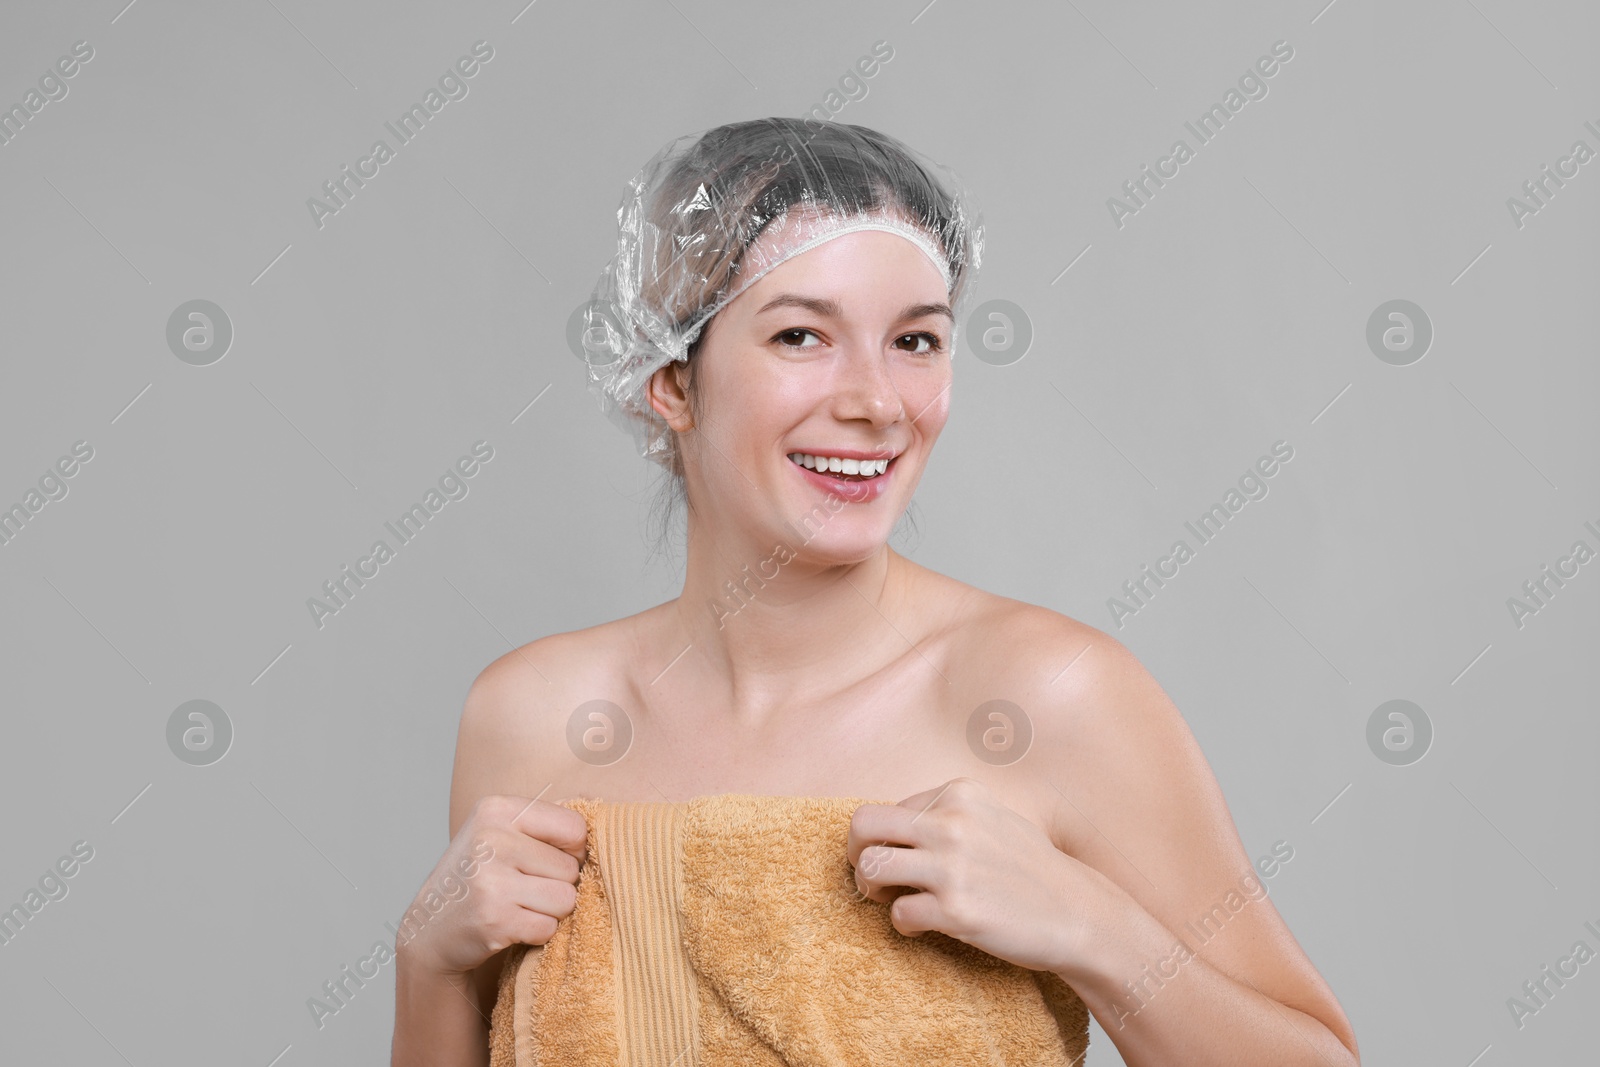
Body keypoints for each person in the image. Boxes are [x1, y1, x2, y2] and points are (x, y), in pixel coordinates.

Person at [391, 116, 1360, 1066]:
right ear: (670, 378)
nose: (877, 401)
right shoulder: (534, 715)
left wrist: (1095, 928)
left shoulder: (1045, 694)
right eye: (803, 335)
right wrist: (427, 960)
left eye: (916, 340)